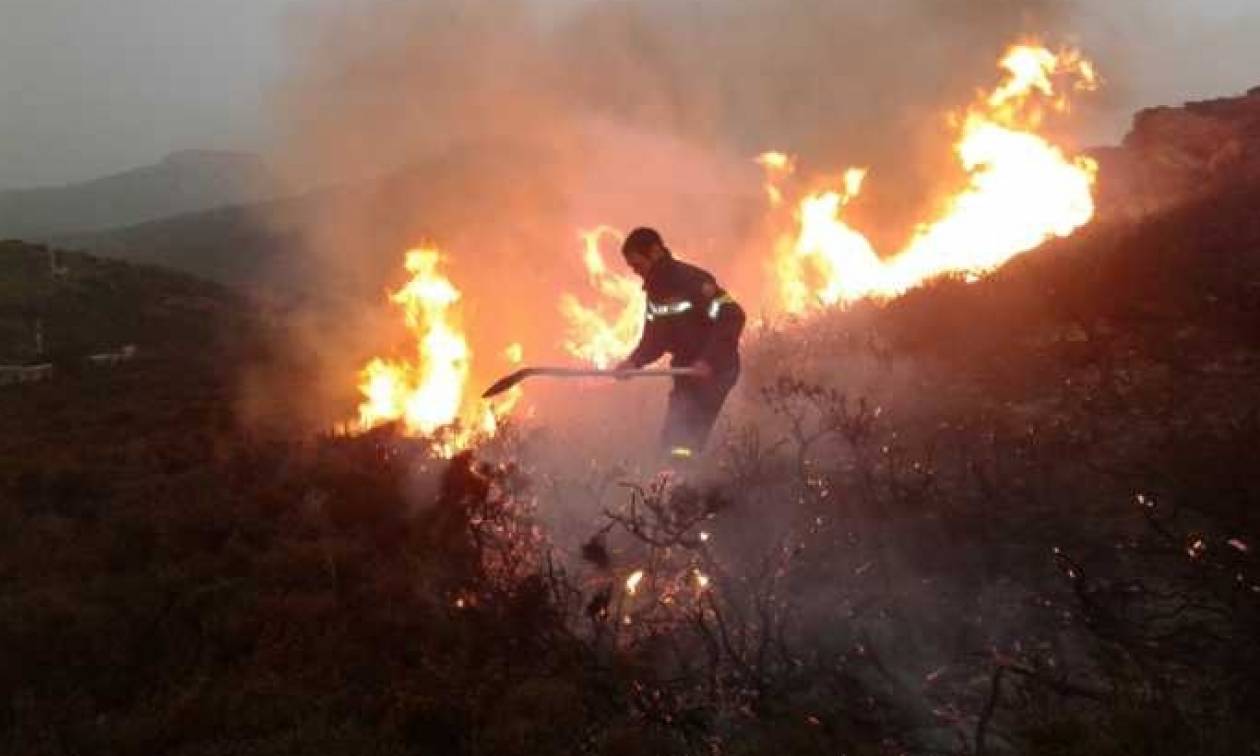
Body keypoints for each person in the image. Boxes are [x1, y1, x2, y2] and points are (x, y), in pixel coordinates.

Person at [614, 227, 745, 460]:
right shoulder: (655, 292)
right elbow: (654, 340)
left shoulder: (693, 281)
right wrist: (633, 362)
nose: (636, 272)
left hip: (717, 371)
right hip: (686, 371)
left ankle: (694, 487)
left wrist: (707, 361)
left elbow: (732, 315)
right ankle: (677, 485)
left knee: (687, 439)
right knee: (672, 439)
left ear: (654, 252)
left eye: (638, 265)